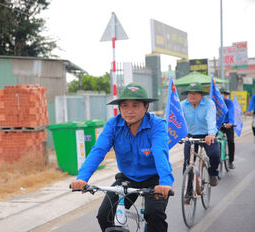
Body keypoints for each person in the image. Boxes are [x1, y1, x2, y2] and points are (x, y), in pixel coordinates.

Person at [70, 83, 174, 232]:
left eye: (135, 105)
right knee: (104, 215)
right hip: (127, 178)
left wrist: (165, 183)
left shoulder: (157, 125)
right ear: (119, 108)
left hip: (155, 179)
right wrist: (82, 178)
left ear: (146, 107)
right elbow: (98, 150)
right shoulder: (113, 124)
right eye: (124, 105)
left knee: (154, 215)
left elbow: (160, 153)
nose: (129, 111)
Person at [180, 83, 220, 188]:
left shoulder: (209, 103)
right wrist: (177, 134)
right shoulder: (182, 105)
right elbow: (176, 120)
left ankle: (213, 173)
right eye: (190, 93)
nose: (192, 96)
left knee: (215, 154)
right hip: (191, 135)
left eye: (195, 93)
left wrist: (211, 134)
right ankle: (188, 191)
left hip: (207, 134)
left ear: (201, 94)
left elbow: (211, 119)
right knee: (187, 162)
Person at [219, 88, 235, 169]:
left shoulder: (229, 102)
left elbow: (231, 112)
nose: (222, 95)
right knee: (214, 141)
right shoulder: (214, 103)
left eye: (223, 93)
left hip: (228, 124)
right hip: (218, 125)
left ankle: (231, 161)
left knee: (231, 141)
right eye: (220, 93)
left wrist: (231, 122)